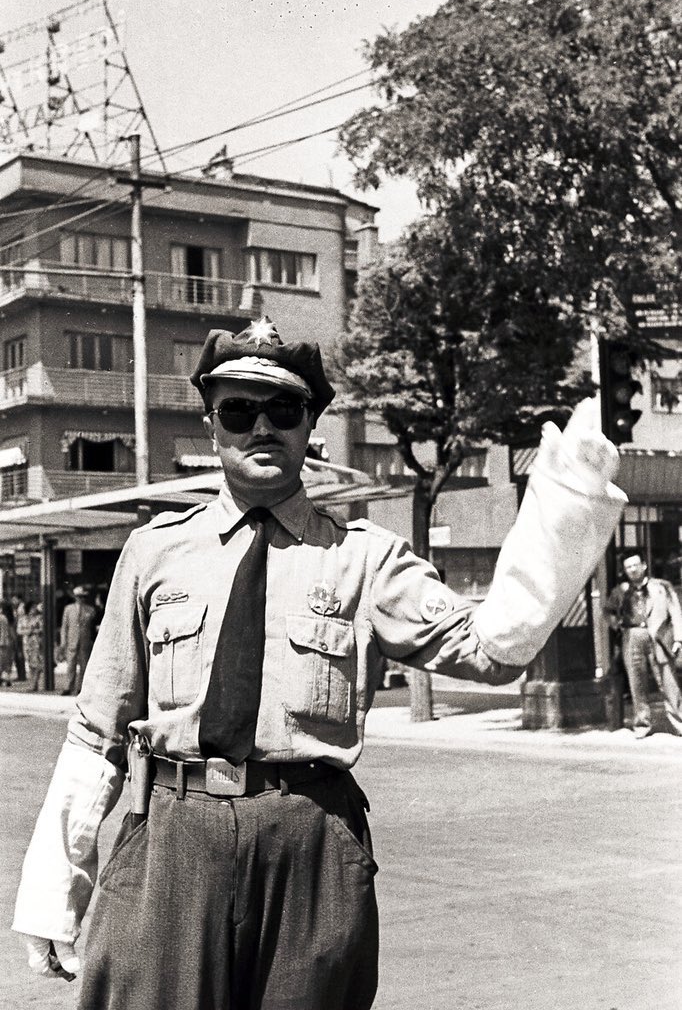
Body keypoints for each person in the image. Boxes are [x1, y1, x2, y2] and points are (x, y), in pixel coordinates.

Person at [13, 319, 626, 1010]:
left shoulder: (366, 559)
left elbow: (491, 649)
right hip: (170, 842)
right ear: (212, 427)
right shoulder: (154, 553)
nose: (262, 428)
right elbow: (97, 733)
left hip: (309, 842)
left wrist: (568, 502)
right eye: (239, 412)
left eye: (285, 410)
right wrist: (52, 895)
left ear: (312, 426)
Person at [604, 551, 682, 738]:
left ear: (644, 566)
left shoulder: (661, 587)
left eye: (635, 565)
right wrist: (618, 626)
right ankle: (642, 724)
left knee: (668, 681)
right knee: (636, 682)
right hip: (632, 636)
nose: (632, 570)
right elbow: (608, 612)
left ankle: (679, 722)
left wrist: (678, 639)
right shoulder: (620, 591)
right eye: (628, 567)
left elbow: (676, 612)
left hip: (659, 636)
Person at [59, 585, 96, 696]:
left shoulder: (90, 610)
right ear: (75, 597)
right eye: (79, 597)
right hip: (72, 640)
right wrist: (63, 642)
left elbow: (93, 627)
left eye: (83, 597)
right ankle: (68, 687)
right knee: (71, 664)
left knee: (84, 665)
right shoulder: (68, 609)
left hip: (85, 641)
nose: (81, 599)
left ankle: (81, 687)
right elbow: (64, 626)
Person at [18, 600, 44, 692]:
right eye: (32, 607)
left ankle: (34, 683)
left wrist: (33, 631)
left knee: (36, 663)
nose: (34, 609)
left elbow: (42, 629)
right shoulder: (22, 619)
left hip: (36, 642)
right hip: (26, 643)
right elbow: (19, 630)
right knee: (30, 664)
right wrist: (28, 631)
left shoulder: (39, 618)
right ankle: (33, 683)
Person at [10, 594, 27, 682]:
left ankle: (22, 675)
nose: (13, 602)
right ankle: (21, 674)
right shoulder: (17, 608)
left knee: (19, 654)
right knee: (18, 655)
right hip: (18, 633)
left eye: (14, 599)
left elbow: (19, 621)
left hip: (19, 634)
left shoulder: (21, 608)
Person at [0, 599, 14, 688]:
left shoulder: (1, 618)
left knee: (1, 662)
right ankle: (7, 678)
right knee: (7, 662)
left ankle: (3, 679)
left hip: (2, 642)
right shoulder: (7, 618)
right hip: (7, 642)